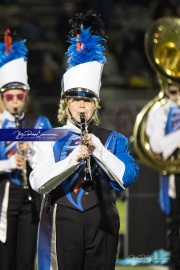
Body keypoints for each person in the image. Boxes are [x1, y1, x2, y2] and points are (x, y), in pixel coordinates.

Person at [29, 11, 139, 270]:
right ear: (66, 103)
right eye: (76, 100)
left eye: (87, 100)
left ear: (95, 105)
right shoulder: (49, 138)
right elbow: (38, 183)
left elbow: (127, 177)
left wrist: (98, 151)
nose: (81, 105)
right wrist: (72, 159)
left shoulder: (112, 139)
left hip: (103, 224)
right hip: (63, 220)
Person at [0, 29, 52, 270]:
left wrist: (30, 152)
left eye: (19, 96)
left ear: (26, 96)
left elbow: (50, 159)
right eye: (9, 96)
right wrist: (9, 164)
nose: (14, 101)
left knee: (25, 259)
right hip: (3, 193)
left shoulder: (39, 123)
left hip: (30, 196)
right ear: (2, 98)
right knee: (4, 257)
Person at [146, 82, 180, 270]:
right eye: (174, 91)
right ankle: (175, 262)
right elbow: (158, 145)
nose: (178, 95)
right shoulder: (159, 112)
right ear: (166, 90)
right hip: (175, 173)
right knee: (174, 222)